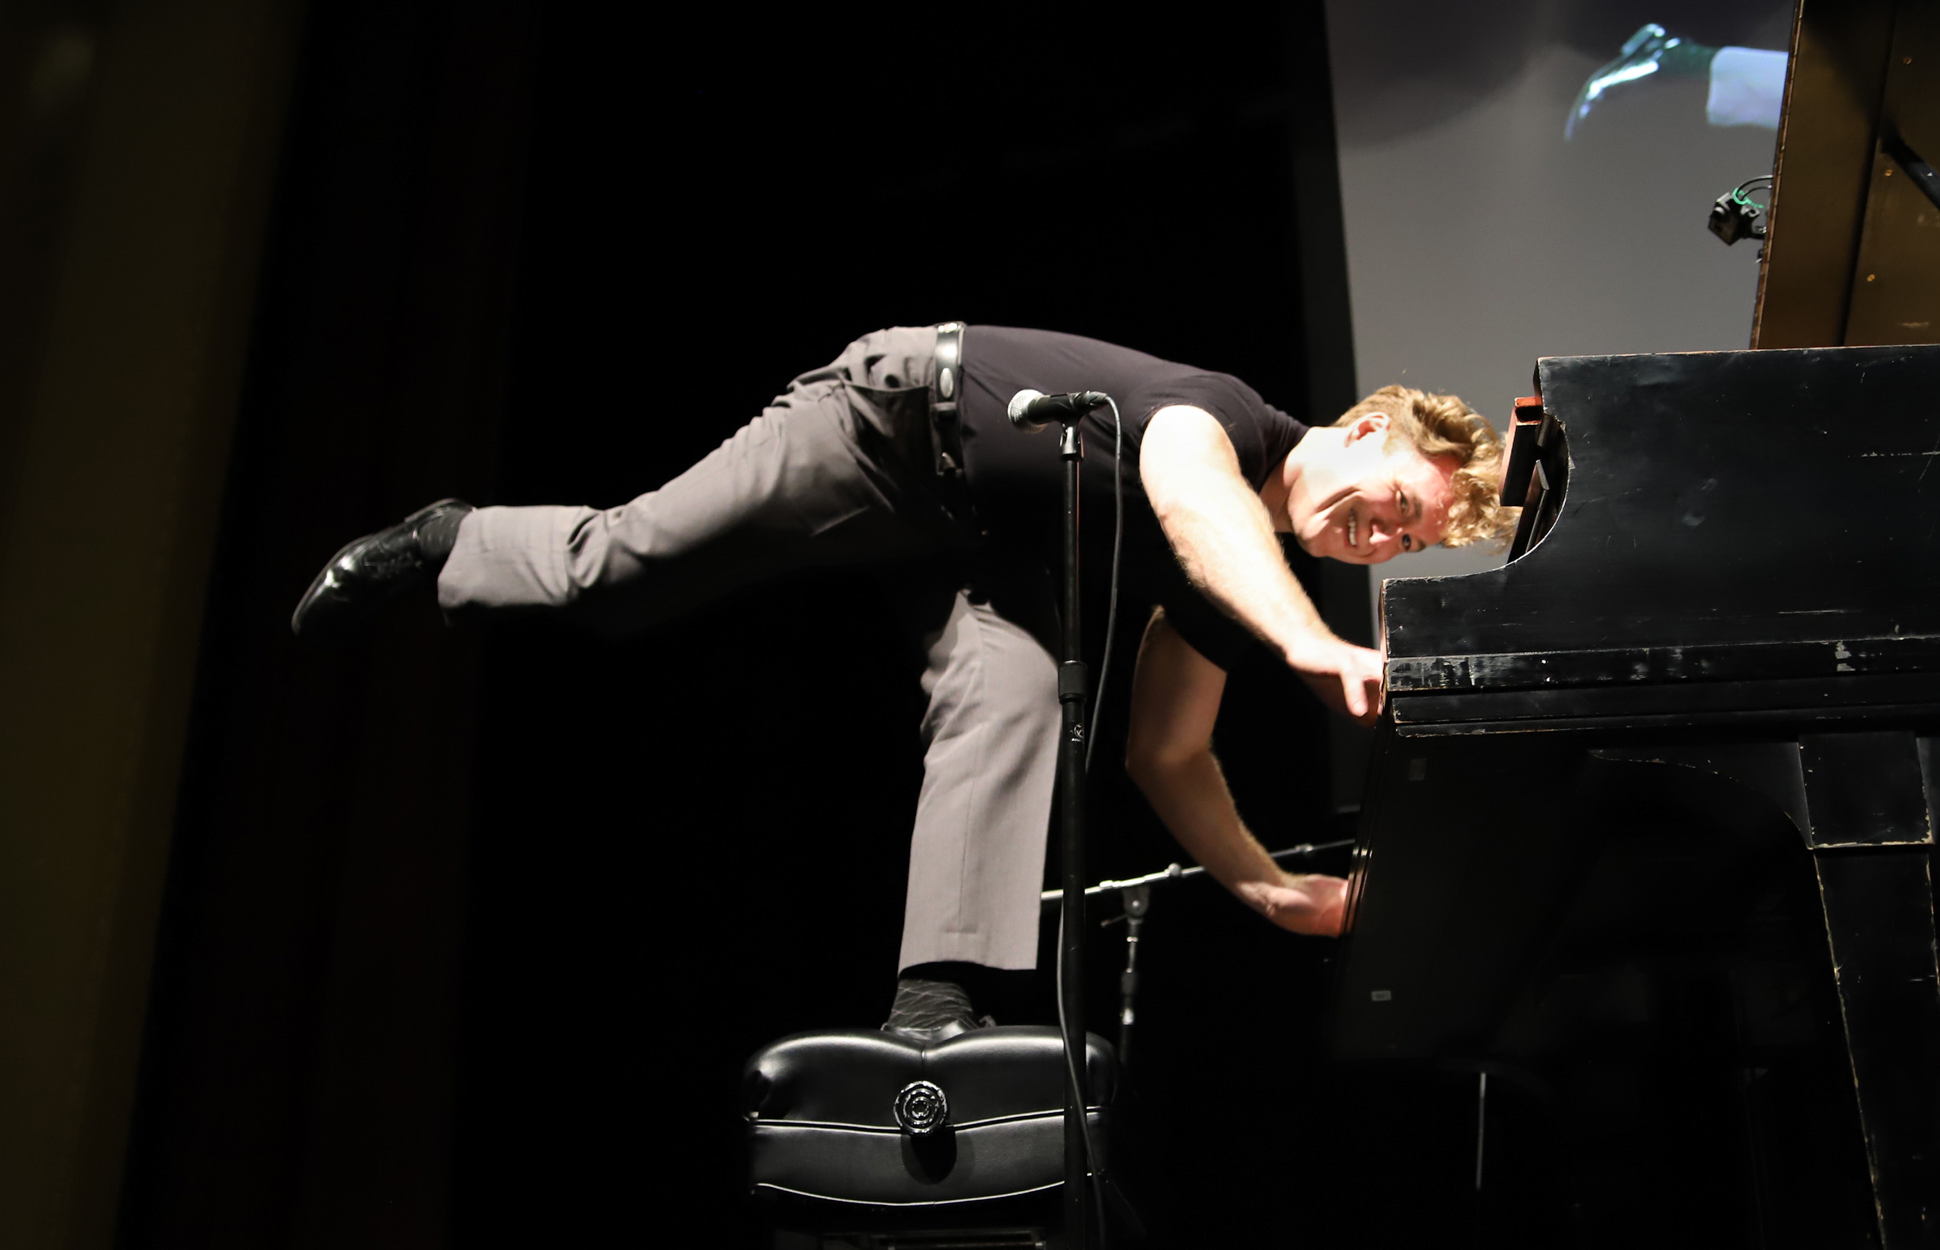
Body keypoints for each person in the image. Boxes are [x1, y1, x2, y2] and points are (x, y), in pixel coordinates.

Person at [291, 324, 1511, 1036]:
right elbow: (1191, 493)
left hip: (974, 544)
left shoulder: (1233, 583)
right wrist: (1311, 644)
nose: (1381, 536)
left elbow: (1169, 751)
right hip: (885, 429)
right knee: (618, 571)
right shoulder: (1225, 420)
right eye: (1398, 502)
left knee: (1016, 694)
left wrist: (1271, 892)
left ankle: (933, 1000)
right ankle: (450, 537)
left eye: (1404, 541)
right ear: (1361, 429)